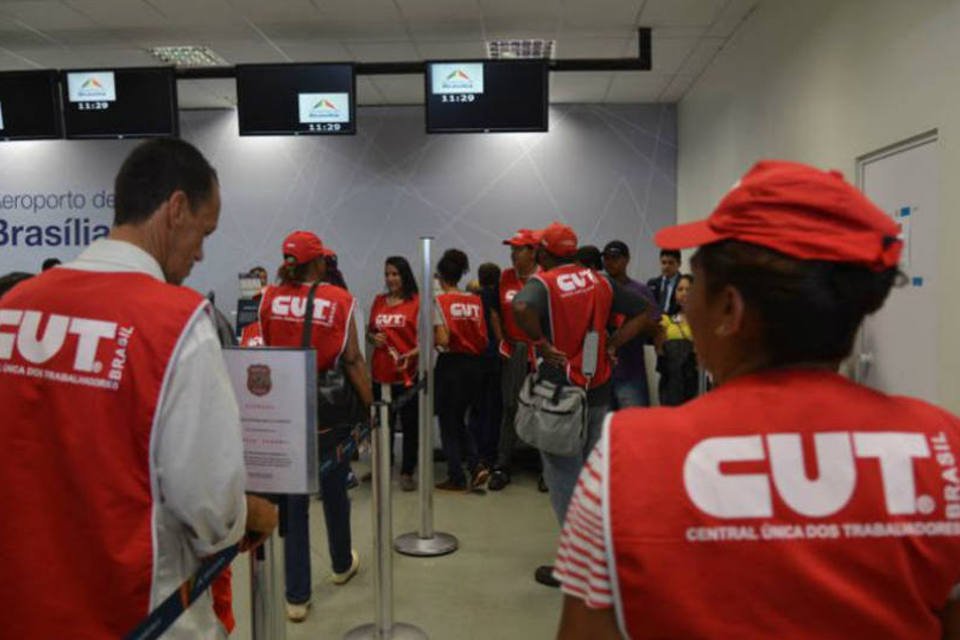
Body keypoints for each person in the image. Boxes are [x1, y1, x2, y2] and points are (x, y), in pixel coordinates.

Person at [554, 160, 960, 639]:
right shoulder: (943, 451)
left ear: (730, 309)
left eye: (696, 283)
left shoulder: (627, 458)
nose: (685, 302)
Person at [0, 138, 278, 639]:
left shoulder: (13, 307)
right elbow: (212, 512)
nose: (200, 252)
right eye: (203, 231)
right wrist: (251, 513)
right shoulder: (175, 324)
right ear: (175, 209)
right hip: (141, 616)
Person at [512, 222, 653, 587]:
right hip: (599, 389)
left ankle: (578, 565)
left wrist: (541, 342)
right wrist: (614, 342)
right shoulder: (600, 280)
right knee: (590, 476)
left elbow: (521, 306)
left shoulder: (544, 283)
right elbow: (646, 310)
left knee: (562, 478)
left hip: (561, 392)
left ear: (543, 253)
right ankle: (601, 555)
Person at [258, 230, 372, 622]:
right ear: (319, 263)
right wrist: (374, 407)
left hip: (282, 410)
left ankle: (296, 597)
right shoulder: (339, 301)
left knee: (294, 503)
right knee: (335, 484)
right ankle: (341, 564)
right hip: (328, 413)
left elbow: (269, 349)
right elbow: (354, 360)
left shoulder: (268, 298)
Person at [489, 228, 540, 491]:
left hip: (541, 353)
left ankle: (546, 468)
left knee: (542, 409)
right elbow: (495, 311)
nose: (513, 254)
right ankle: (502, 465)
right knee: (509, 407)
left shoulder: (544, 278)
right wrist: (502, 340)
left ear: (532, 252)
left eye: (518, 249)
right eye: (511, 250)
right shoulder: (506, 277)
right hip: (515, 351)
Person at [434, 249, 489, 491]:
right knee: (460, 418)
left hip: (452, 365)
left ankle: (456, 475)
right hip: (476, 365)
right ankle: (476, 465)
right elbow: (483, 336)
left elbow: (444, 339)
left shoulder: (440, 302)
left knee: (448, 421)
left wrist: (431, 340)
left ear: (440, 277)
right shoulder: (475, 300)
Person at [368, 256, 420, 491]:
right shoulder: (379, 301)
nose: (390, 279)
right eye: (387, 274)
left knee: (410, 425)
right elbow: (371, 332)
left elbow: (430, 340)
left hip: (407, 374)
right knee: (381, 424)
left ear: (405, 275)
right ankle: (382, 466)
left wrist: (412, 353)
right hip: (380, 373)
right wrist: (373, 338)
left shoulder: (417, 302)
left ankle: (407, 471)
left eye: (395, 274)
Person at [601, 240, 660, 408]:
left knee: (636, 428)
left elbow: (656, 328)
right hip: (600, 375)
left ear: (627, 260)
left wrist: (636, 322)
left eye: (614, 257)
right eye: (606, 258)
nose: (609, 262)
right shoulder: (596, 288)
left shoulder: (641, 291)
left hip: (630, 371)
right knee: (602, 430)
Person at [469, 262, 504, 476]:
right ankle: (488, 456)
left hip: (475, 355)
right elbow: (494, 317)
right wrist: (502, 343)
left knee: (476, 408)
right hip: (492, 356)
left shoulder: (472, 298)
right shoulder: (494, 297)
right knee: (493, 408)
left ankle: (474, 455)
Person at [654, 273, 698, 406]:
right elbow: (659, 348)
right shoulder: (666, 319)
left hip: (694, 379)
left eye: (688, 289)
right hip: (671, 381)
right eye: (680, 289)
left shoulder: (703, 321)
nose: (684, 293)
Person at [647, 248, 682, 316]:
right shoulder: (652, 283)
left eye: (670, 263)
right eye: (664, 262)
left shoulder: (684, 284)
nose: (666, 266)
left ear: (679, 264)